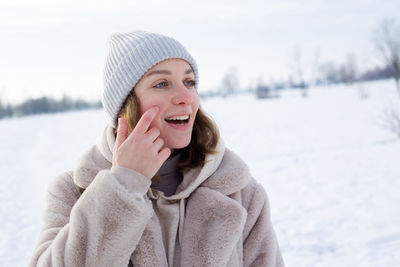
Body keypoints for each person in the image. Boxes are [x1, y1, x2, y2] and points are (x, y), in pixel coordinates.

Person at [29, 31, 284, 267]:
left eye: (189, 81)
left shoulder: (241, 192)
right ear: (124, 106)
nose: (186, 96)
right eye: (162, 83)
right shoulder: (72, 192)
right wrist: (124, 183)